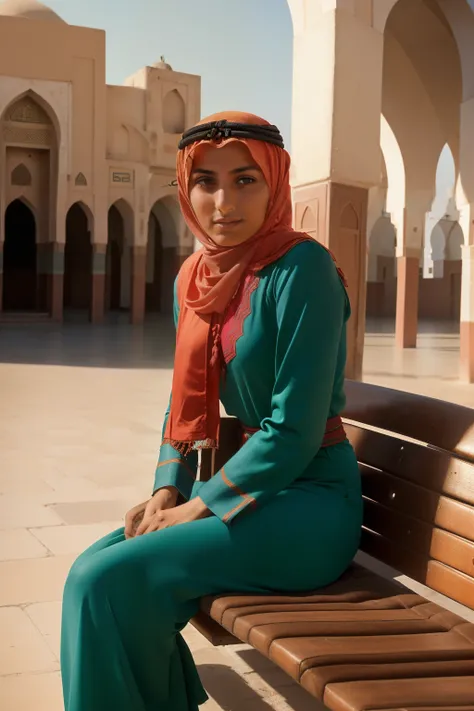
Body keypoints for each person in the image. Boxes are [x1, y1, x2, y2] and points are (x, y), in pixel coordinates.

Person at [60, 111, 363, 711]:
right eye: (206, 180)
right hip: (244, 498)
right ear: (185, 188)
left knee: (109, 581)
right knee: (88, 571)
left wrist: (203, 503)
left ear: (275, 182)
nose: (224, 201)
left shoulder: (303, 271)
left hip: (310, 506)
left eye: (245, 180)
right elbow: (183, 399)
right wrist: (167, 490)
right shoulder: (193, 278)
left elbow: (296, 429)